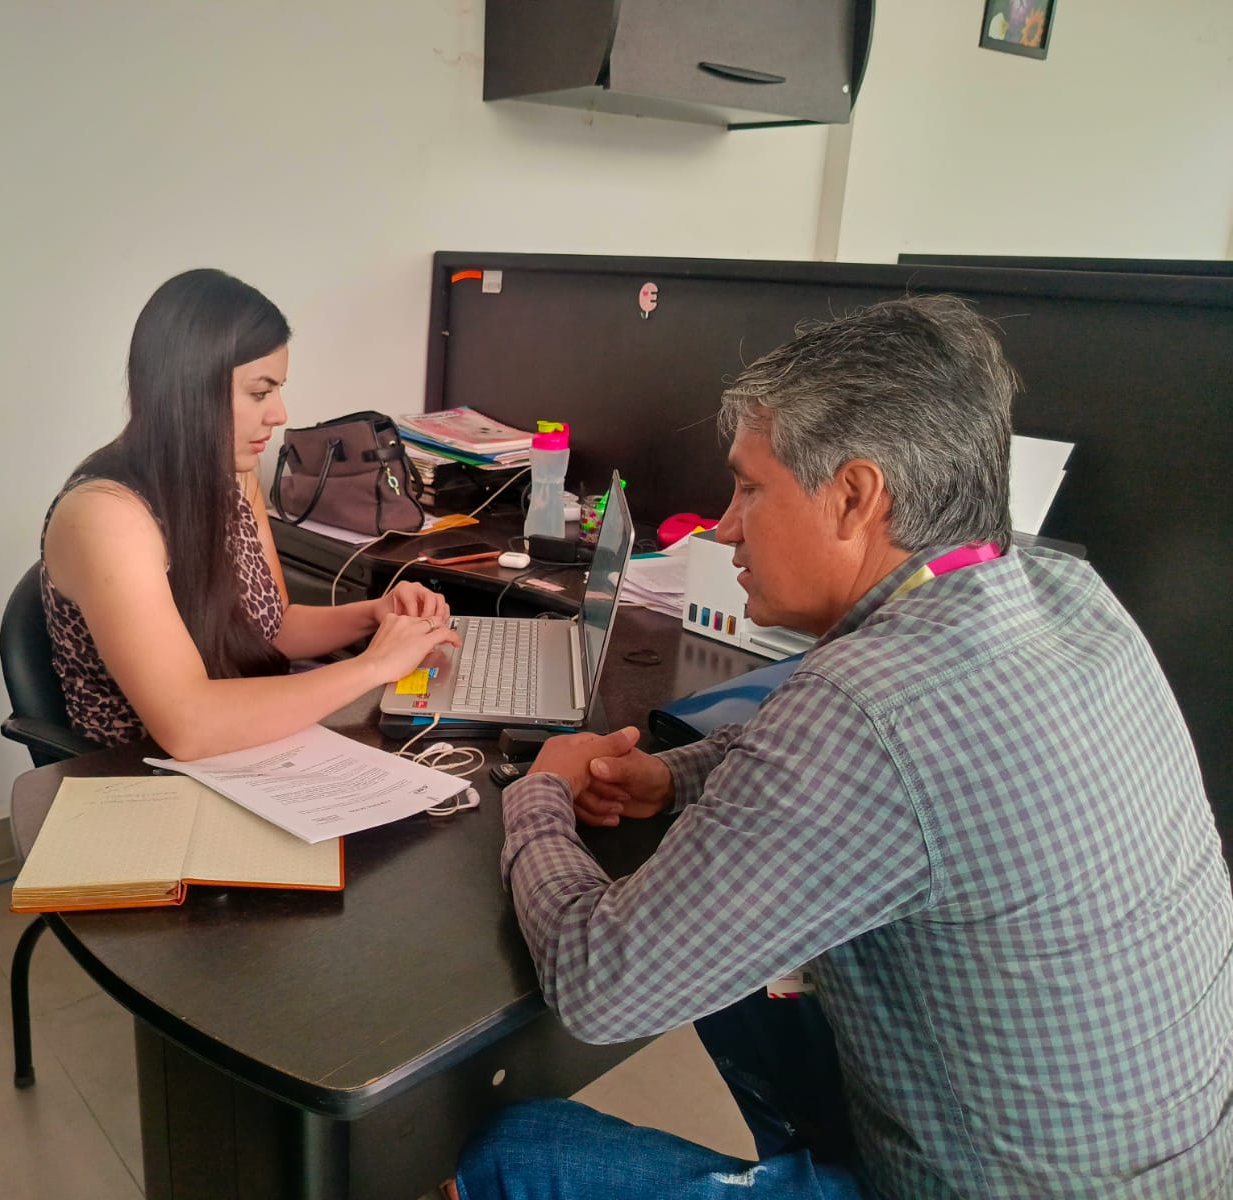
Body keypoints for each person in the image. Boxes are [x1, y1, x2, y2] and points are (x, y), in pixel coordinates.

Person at [453, 295, 1233, 1199]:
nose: (724, 527)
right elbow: (870, 771)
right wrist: (670, 778)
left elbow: (601, 987)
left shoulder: (870, 705)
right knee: (735, 971)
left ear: (856, 496)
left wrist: (541, 793)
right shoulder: (1069, 594)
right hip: (1176, 1159)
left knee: (513, 1153)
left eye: (750, 489)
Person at [40, 268, 458, 757]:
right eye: (260, 392)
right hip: (141, 774)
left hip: (245, 752)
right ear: (188, 391)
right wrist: (374, 665)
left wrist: (374, 616)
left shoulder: (232, 475)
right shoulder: (105, 515)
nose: (279, 414)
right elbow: (188, 726)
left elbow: (272, 629)